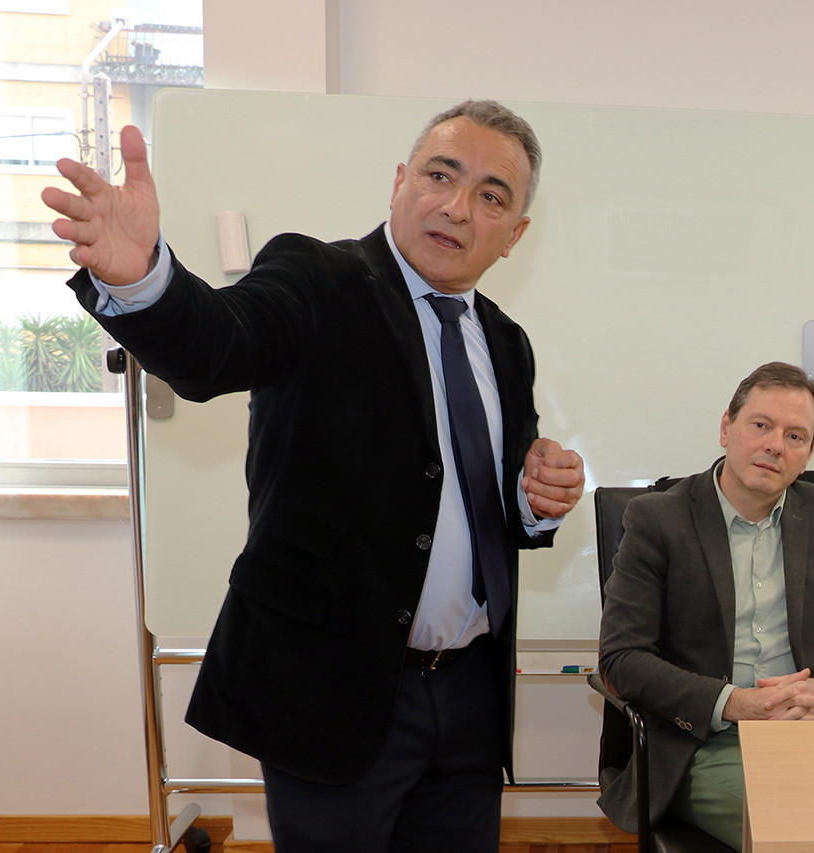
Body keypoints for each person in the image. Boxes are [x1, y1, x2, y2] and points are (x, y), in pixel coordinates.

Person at [41, 100, 585, 852]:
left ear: (514, 234)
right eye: (440, 175)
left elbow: (478, 495)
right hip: (334, 688)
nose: (458, 207)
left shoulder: (506, 342)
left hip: (469, 696)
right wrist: (145, 280)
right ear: (399, 183)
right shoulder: (319, 279)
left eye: (491, 196)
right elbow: (215, 346)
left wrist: (534, 501)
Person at [596, 361, 814, 850]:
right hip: (701, 740)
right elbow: (622, 659)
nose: (775, 445)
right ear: (726, 428)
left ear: (808, 453)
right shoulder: (658, 520)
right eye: (761, 425)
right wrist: (734, 702)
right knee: (799, 828)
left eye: (795, 436)